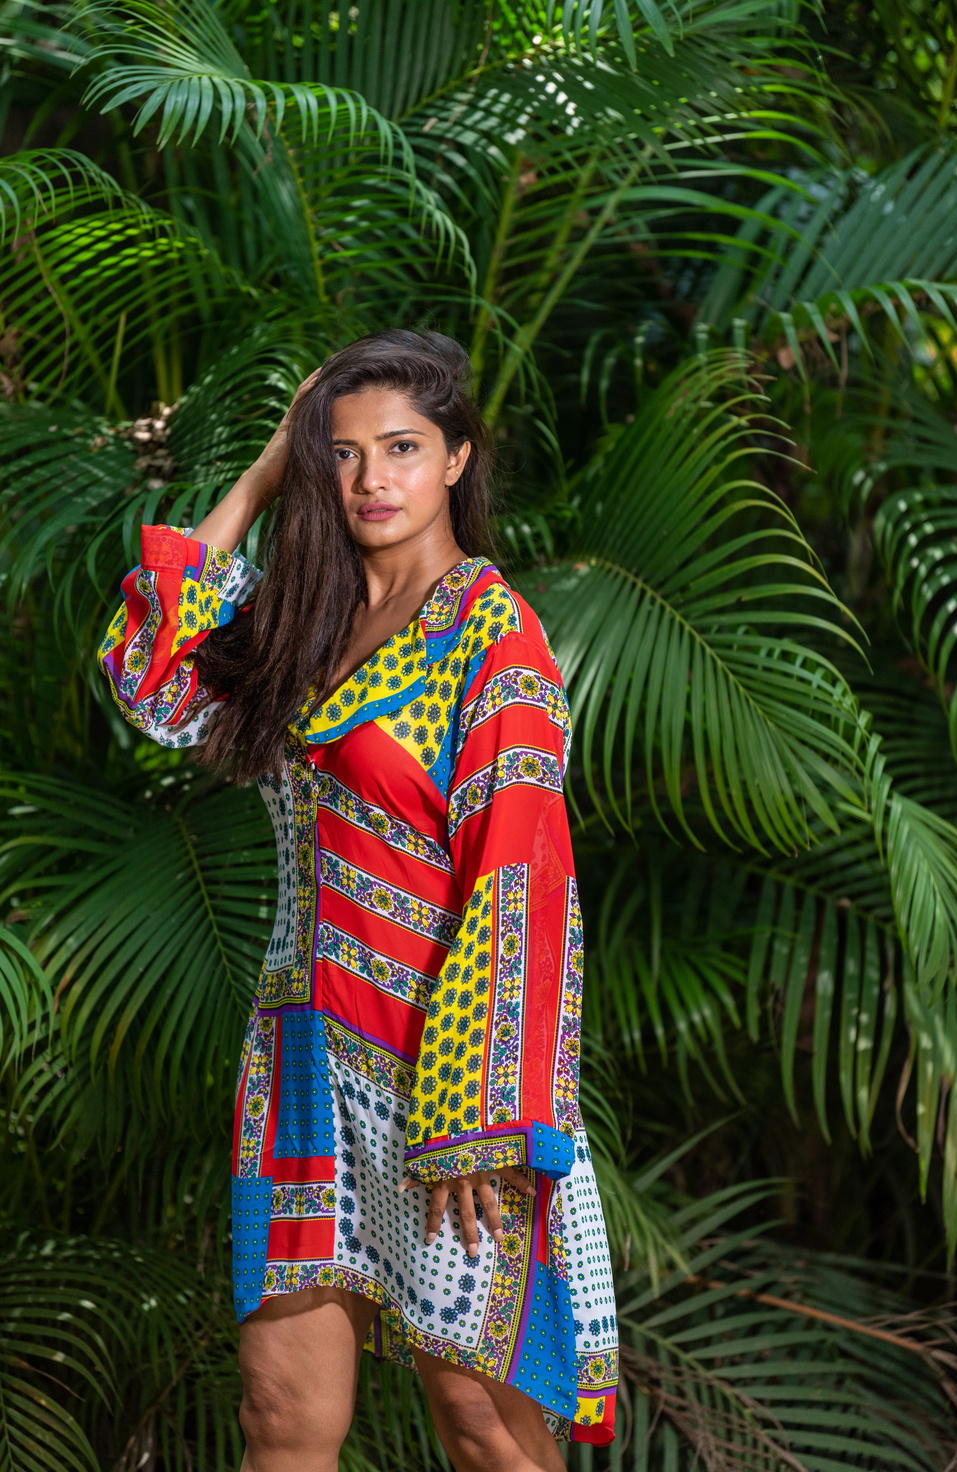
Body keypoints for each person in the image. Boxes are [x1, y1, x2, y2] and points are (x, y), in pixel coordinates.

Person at [99, 330, 618, 1471]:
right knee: (280, 1420)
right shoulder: (308, 624)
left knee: (481, 1423)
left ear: (455, 460)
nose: (371, 478)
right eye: (341, 453)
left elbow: (519, 874)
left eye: (401, 447)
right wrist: (258, 475)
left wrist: (477, 1118)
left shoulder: (494, 634)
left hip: (442, 1068)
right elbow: (148, 676)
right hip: (296, 1062)